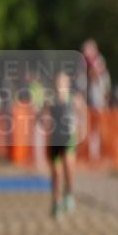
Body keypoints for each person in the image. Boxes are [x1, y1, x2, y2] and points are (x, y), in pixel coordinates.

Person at [43, 71, 82, 219]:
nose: (59, 85)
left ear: (68, 84)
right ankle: (56, 202)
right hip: (54, 140)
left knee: (68, 167)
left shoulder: (75, 100)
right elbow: (43, 118)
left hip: (69, 139)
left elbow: (82, 116)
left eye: (62, 82)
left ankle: (69, 193)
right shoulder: (50, 101)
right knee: (56, 173)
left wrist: (80, 131)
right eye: (57, 83)